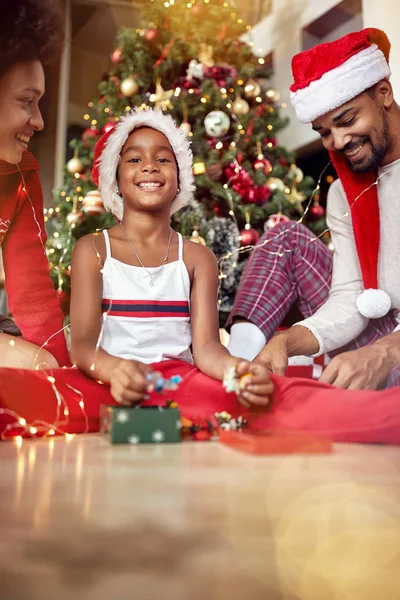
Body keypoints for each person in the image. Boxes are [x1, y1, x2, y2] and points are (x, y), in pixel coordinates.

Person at [1, 107, 400, 447]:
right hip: (104, 380)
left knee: (270, 400)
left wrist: (236, 372)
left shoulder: (197, 258)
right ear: (115, 179)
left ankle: (385, 411)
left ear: (180, 177)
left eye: (163, 159)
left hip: (181, 382)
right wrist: (113, 371)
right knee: (25, 393)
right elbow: (84, 345)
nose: (149, 167)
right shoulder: (93, 249)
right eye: (134, 159)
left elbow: (207, 348)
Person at [227, 28, 400, 391]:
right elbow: (352, 299)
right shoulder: (343, 193)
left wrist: (386, 352)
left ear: (383, 93)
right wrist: (284, 342)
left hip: (393, 350)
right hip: (381, 341)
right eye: (324, 131)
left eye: (348, 120)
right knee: (286, 238)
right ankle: (239, 374)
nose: (337, 143)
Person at [0, 0, 69, 368]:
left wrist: (63, 386)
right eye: (27, 102)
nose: (39, 121)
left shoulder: (23, 173)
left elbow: (33, 294)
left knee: (43, 364)